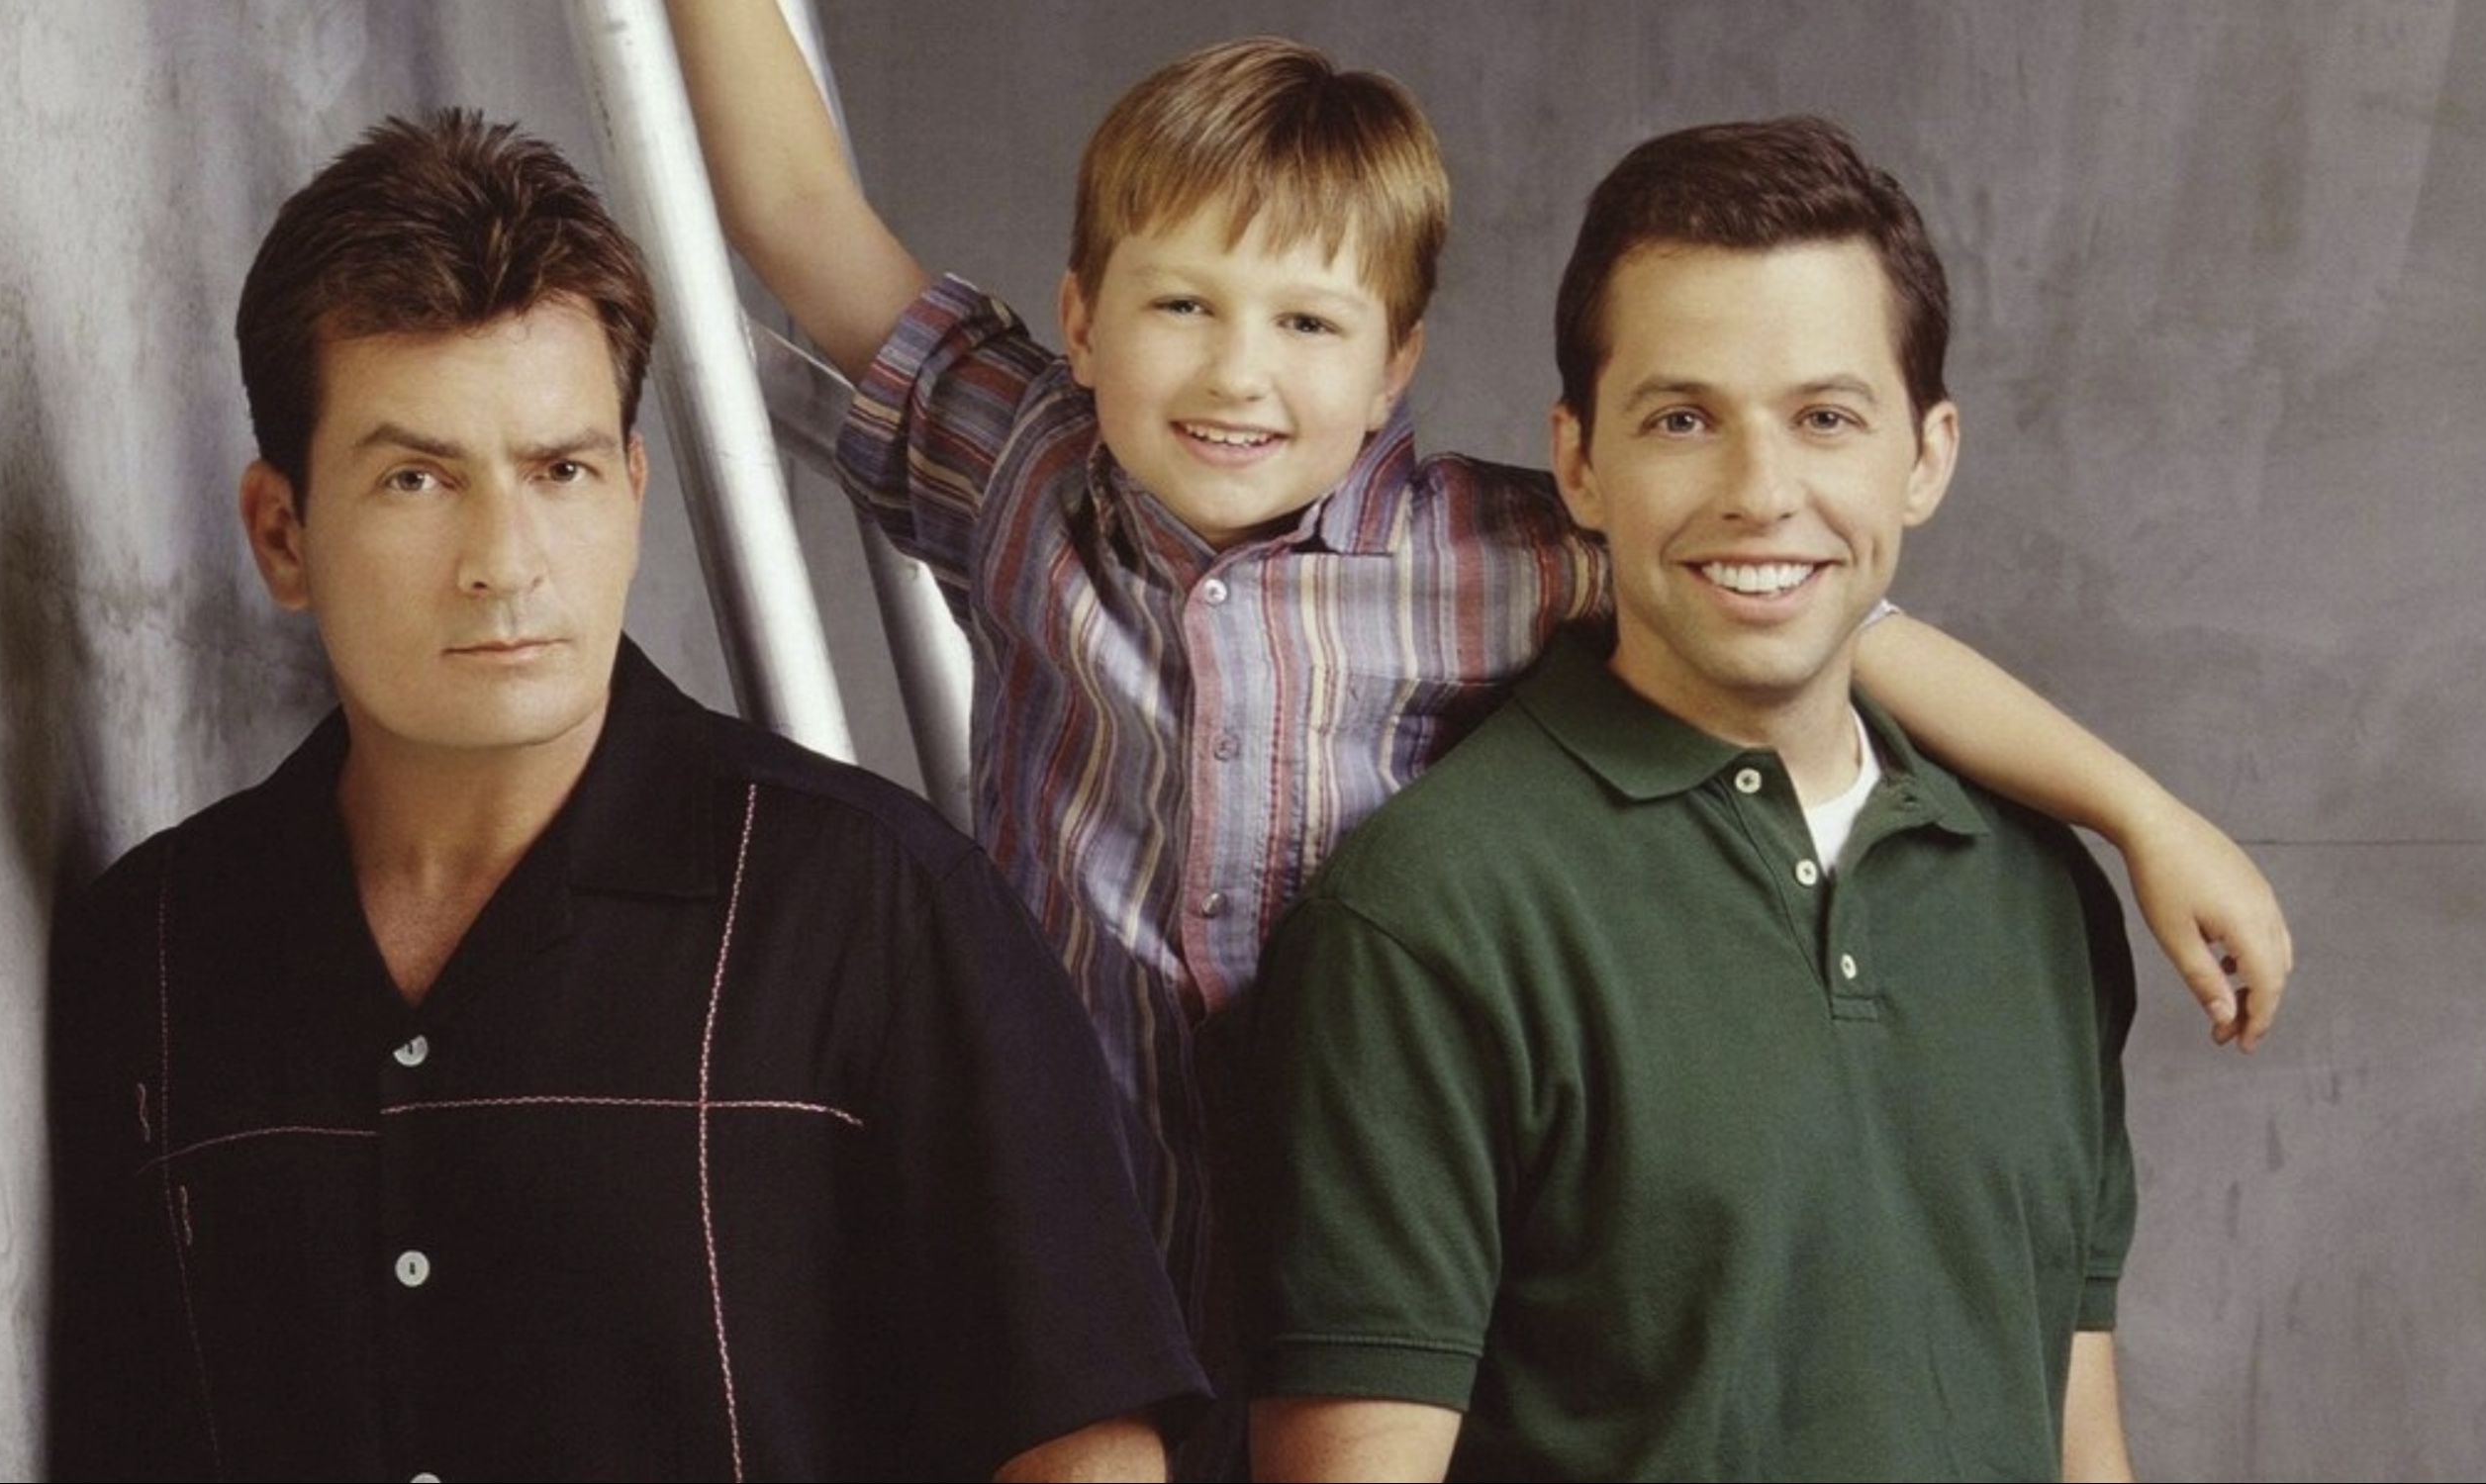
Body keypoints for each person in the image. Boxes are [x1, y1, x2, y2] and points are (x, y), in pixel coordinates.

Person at [667, 0, 2286, 1447]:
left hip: (1353, 1237)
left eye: (1308, 324)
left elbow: (1846, 629)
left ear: (1395, 369)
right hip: (1066, 1247)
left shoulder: (1482, 552)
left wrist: (2144, 814)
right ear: (1082, 321)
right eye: (1182, 308)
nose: (1238, 375)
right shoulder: (1022, 466)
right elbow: (802, 217)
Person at [47, 110, 1202, 1482]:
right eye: (416, 478)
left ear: (633, 494)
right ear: (283, 533)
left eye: (562, 472)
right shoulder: (156, 950)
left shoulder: (878, 909)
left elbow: (1085, 1449)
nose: (504, 562)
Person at [1231, 115, 2151, 1480]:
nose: (1760, 491)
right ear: (1581, 462)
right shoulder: (1426, 922)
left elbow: (2081, 1446)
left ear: (1927, 455)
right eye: (1681, 419)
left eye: (1827, 419)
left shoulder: (2036, 897)